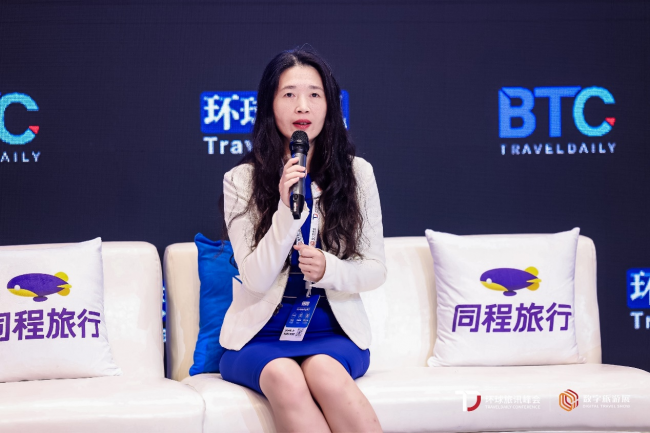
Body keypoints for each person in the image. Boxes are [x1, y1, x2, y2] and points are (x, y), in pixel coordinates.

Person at [219, 47, 386, 433]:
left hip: (333, 331)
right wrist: (285, 210)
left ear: (330, 105)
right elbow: (256, 279)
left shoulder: (358, 174)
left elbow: (376, 270)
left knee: (325, 371)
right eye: (289, 94)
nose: (302, 106)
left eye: (314, 94)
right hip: (259, 336)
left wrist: (330, 269)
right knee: (284, 377)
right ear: (270, 104)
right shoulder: (241, 180)